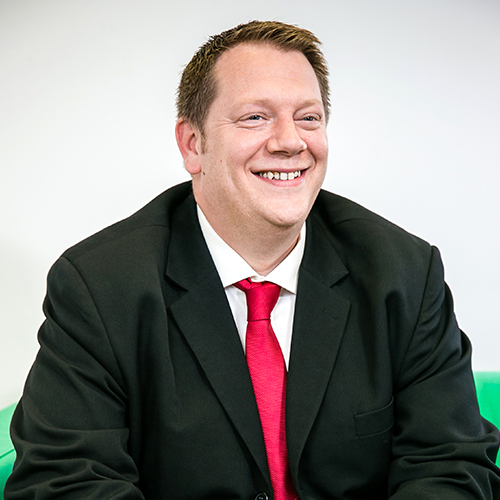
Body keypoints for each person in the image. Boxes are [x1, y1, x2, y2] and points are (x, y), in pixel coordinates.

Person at [5, 20, 500, 500]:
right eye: (255, 117)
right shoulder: (100, 286)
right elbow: (67, 479)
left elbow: (450, 462)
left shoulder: (406, 273)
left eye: (308, 118)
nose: (290, 141)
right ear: (193, 145)